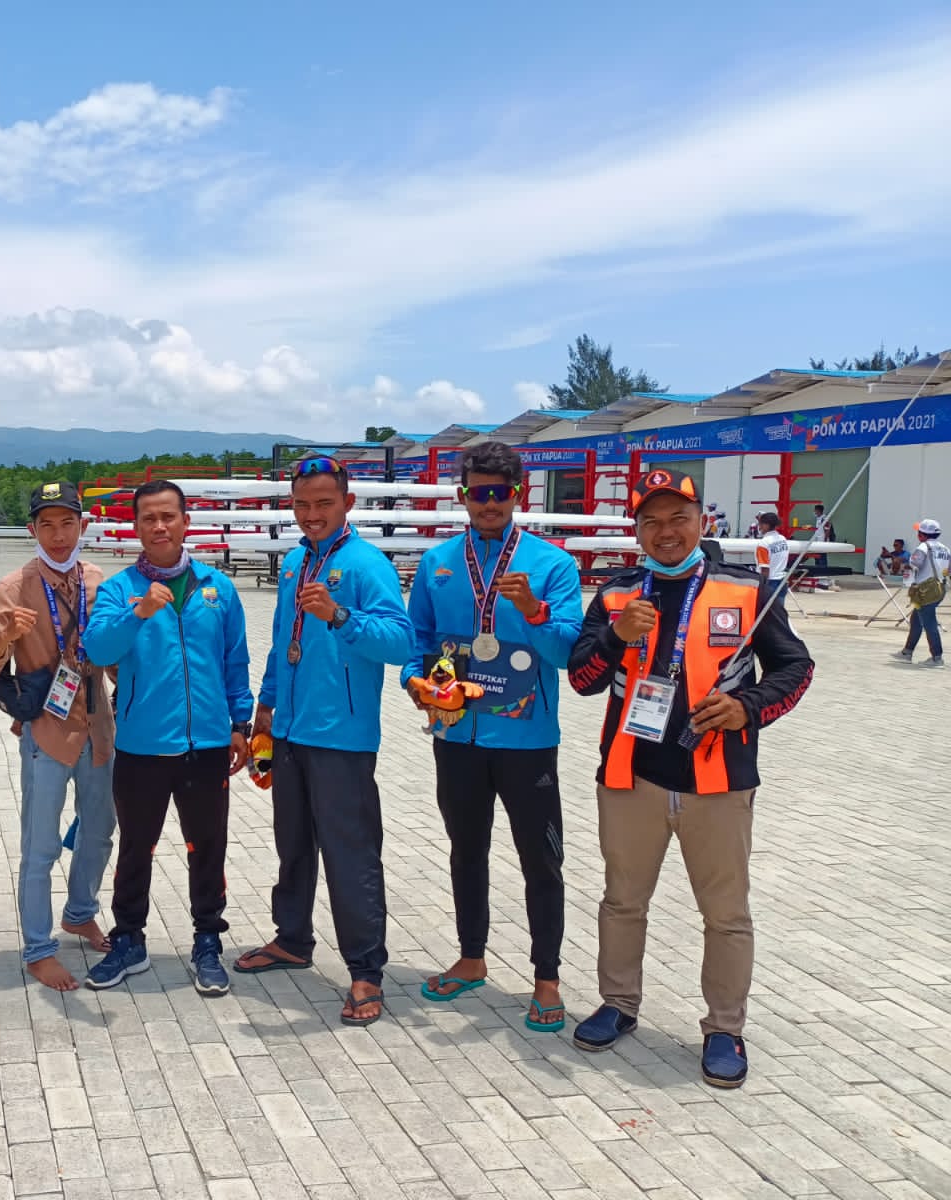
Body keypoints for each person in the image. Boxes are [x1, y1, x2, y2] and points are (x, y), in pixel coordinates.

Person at [567, 468, 814, 1088]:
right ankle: (618, 1004)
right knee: (622, 902)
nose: (666, 531)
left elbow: (796, 667)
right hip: (631, 778)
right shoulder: (617, 593)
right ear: (637, 531)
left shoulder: (748, 588)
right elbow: (582, 678)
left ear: (702, 520)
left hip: (719, 781)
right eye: (651, 521)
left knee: (726, 914)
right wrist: (617, 638)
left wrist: (747, 707)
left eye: (678, 517)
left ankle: (725, 1027)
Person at [398, 441, 583, 1033]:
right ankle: (471, 957)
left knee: (540, 860)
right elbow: (418, 641)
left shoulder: (553, 565)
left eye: (500, 493)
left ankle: (547, 979)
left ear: (518, 494)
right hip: (457, 735)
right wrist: (414, 682)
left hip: (527, 741)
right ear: (463, 496)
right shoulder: (438, 563)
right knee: (466, 849)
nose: (489, 504)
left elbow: (567, 652)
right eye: (479, 493)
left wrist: (533, 609)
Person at [233, 456, 415, 1027]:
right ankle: (292, 938)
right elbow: (281, 640)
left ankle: (366, 971)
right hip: (289, 729)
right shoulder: (295, 562)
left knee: (349, 854)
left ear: (348, 504)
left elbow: (401, 641)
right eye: (302, 504)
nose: (311, 514)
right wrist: (266, 705)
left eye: (324, 504)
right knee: (293, 845)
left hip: (341, 736)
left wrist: (340, 617)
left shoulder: (366, 564)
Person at [80, 480, 253, 995]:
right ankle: (129, 939)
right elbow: (97, 648)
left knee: (208, 847)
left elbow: (235, 661)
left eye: (168, 517)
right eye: (149, 518)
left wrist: (240, 723)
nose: (159, 526)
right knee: (137, 846)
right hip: (142, 745)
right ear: (136, 526)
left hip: (207, 745)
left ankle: (208, 941)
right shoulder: (120, 589)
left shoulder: (217, 588)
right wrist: (138, 612)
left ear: (185, 522)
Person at [0, 481, 116, 991]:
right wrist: (6, 638)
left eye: (67, 523)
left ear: (83, 525)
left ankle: (80, 912)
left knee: (99, 831)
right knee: (41, 844)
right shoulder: (13, 588)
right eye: (47, 525)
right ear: (32, 529)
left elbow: (114, 656)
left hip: (99, 726)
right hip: (47, 730)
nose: (58, 536)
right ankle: (38, 948)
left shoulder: (98, 580)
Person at [892, 518, 949, 667]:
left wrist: (903, 563)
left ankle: (937, 658)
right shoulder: (945, 549)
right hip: (940, 589)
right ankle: (907, 652)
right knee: (916, 620)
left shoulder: (923, 547)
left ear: (922, 535)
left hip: (925, 591)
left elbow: (915, 564)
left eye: (919, 532)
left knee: (929, 623)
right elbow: (948, 570)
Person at [755, 512, 789, 595]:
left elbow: (765, 568)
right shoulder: (783, 539)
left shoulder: (763, 543)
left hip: (770, 582)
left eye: (760, 524)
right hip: (782, 580)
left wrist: (763, 587)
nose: (759, 527)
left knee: (765, 604)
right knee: (779, 604)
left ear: (766, 525)